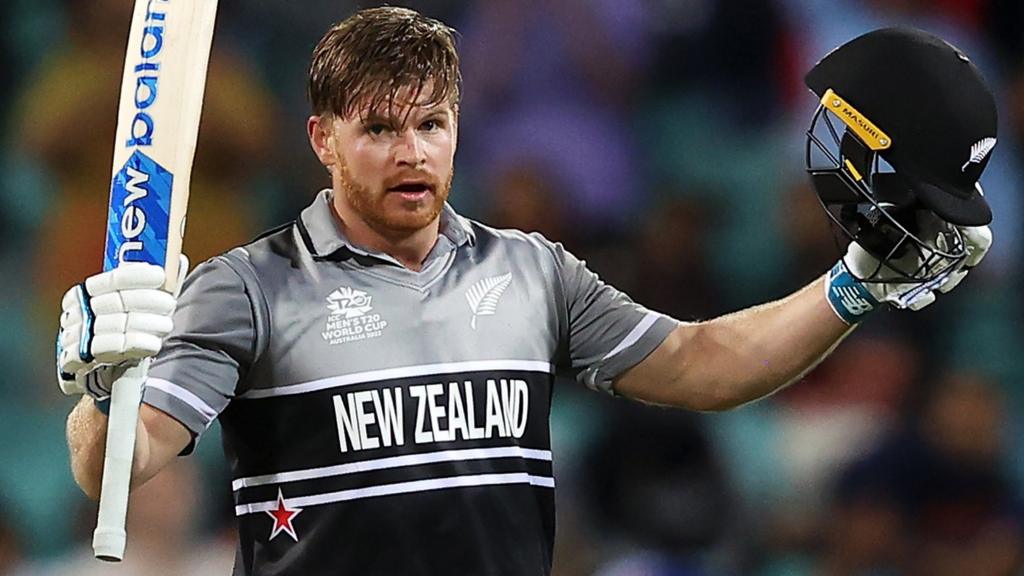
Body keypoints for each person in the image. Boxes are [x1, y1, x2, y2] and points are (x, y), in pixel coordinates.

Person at [55, 11, 996, 575]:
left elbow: (703, 366)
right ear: (321, 139)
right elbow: (114, 468)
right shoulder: (247, 289)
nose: (414, 151)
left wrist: (852, 287)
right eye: (380, 128)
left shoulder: (531, 271)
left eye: (433, 123)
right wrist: (102, 388)